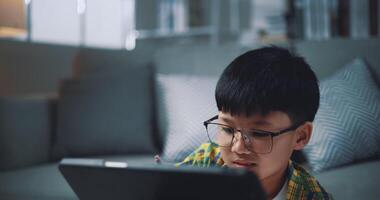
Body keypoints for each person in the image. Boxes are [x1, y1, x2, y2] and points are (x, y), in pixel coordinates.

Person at [174, 46, 332, 199]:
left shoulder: (313, 196)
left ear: (300, 137)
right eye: (228, 130)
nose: (238, 147)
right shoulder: (205, 161)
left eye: (258, 133)